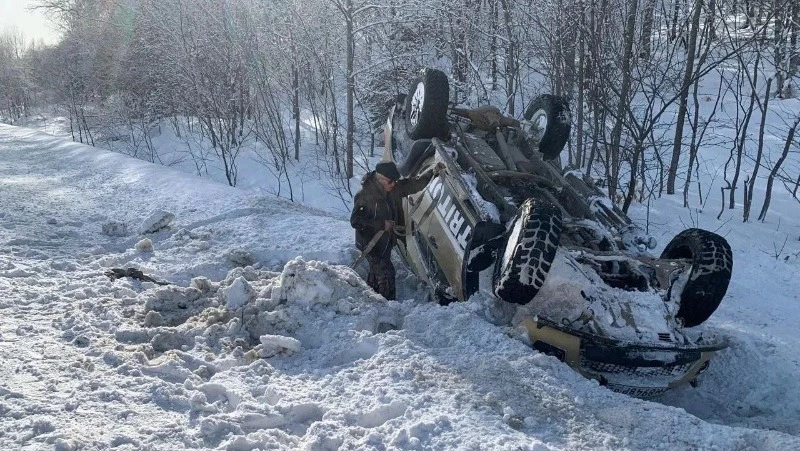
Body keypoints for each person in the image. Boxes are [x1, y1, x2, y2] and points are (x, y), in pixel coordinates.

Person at [350, 160, 444, 300]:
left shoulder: (392, 189)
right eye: (390, 181)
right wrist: (382, 224)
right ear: (380, 179)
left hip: (385, 243)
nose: (394, 184)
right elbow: (356, 221)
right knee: (387, 275)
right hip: (372, 246)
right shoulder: (364, 196)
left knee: (378, 272)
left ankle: (371, 295)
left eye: (395, 181)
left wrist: (433, 172)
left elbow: (413, 184)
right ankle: (387, 306)